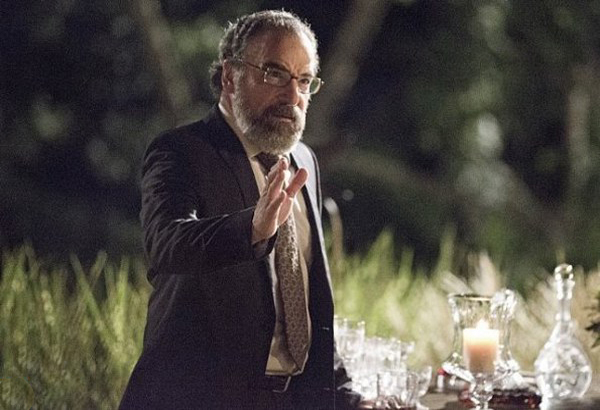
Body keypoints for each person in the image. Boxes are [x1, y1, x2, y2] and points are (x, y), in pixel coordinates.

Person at [119, 9, 364, 410]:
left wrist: (348, 395)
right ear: (230, 77)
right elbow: (167, 244)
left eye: (304, 81)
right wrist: (252, 229)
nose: (293, 96)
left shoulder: (304, 160)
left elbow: (307, 302)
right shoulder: (181, 152)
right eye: (275, 74)